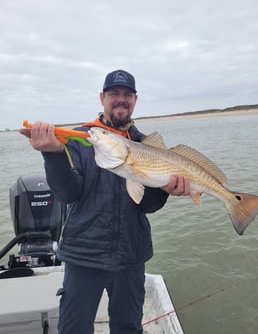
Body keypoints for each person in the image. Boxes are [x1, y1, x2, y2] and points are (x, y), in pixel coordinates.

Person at [20, 69, 190, 334]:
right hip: (83, 254)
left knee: (128, 327)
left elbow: (147, 206)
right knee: (73, 328)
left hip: (130, 256)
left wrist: (165, 188)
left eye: (127, 94)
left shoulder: (147, 146)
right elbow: (67, 194)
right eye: (114, 94)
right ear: (102, 97)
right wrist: (53, 154)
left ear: (135, 100)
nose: (120, 99)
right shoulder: (81, 139)